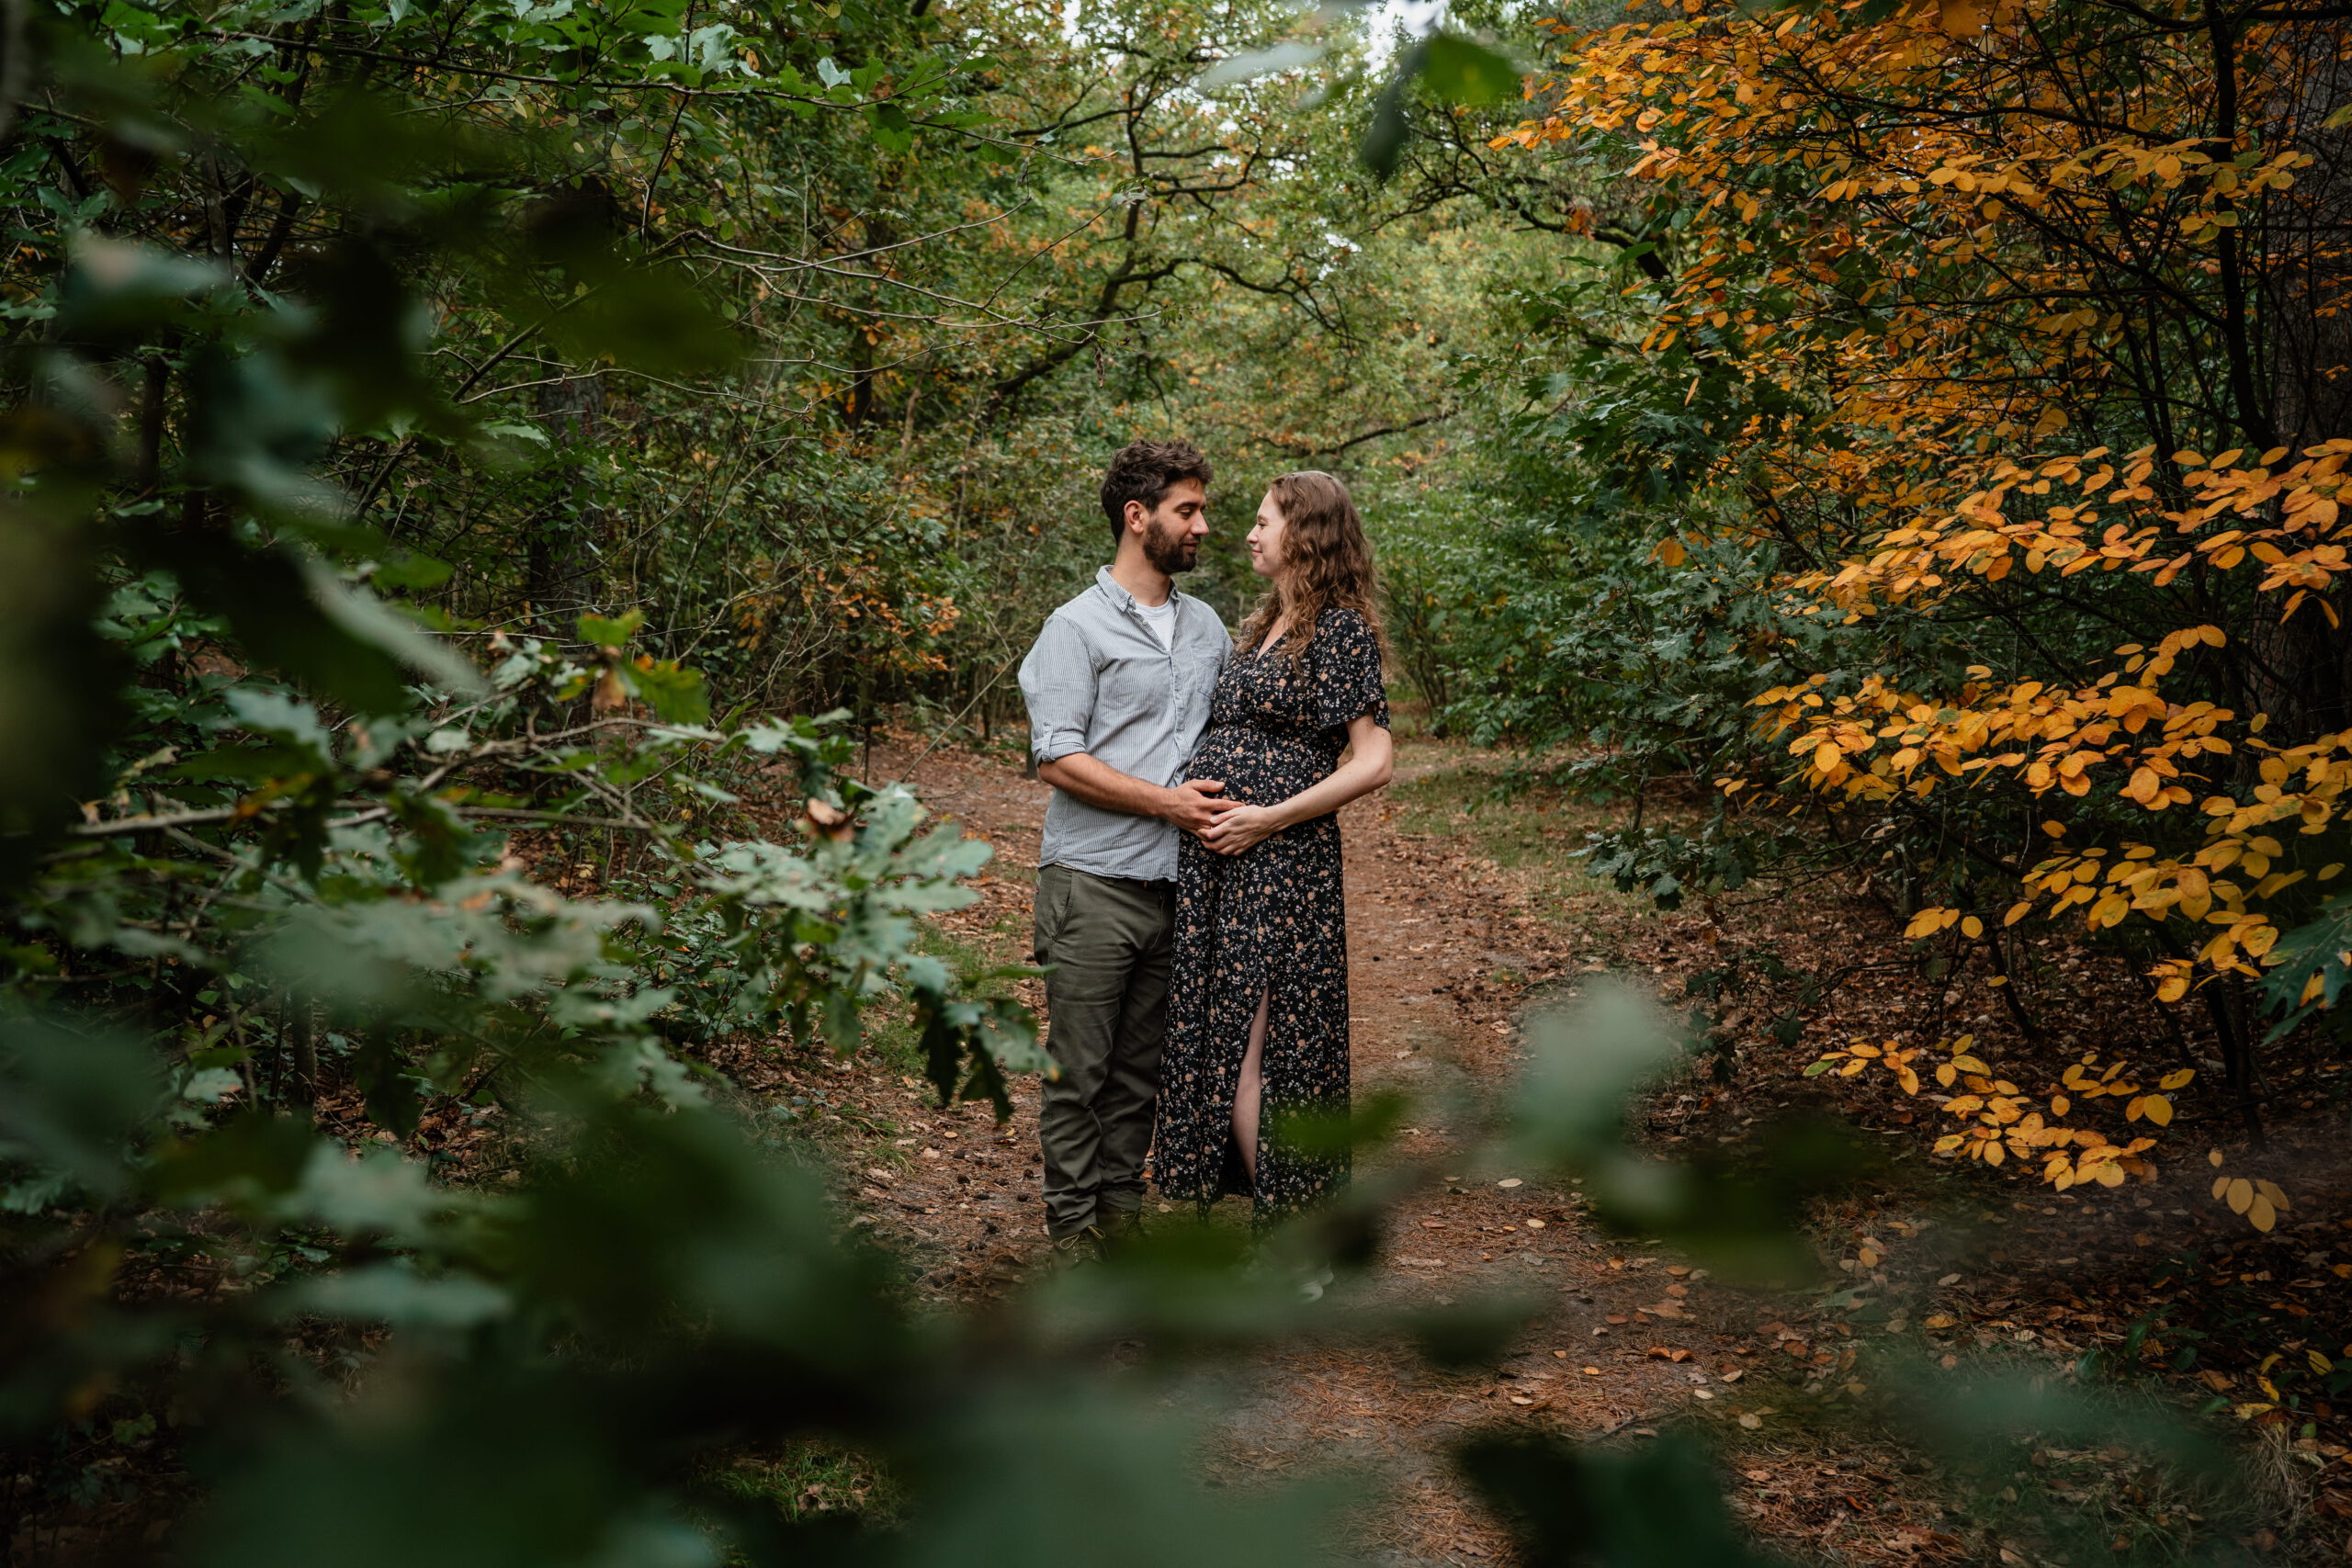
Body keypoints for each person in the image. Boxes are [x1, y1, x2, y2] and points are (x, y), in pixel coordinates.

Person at [1152, 469, 1393, 1247]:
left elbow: (1373, 761)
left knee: (1256, 1046)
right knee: (1232, 1038)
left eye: (1263, 522)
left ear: (1306, 534)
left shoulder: (1341, 629)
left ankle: (1301, 1244)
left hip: (1279, 863)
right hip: (1224, 863)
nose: (1248, 534)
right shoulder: (1261, 626)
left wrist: (1268, 818)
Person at [1017, 438, 1232, 1264]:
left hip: (1181, 886)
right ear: (1137, 518)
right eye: (1187, 510)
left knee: (1141, 1074)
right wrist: (1167, 804)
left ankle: (1121, 1219)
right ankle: (1072, 1235)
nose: (1203, 526)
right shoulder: (1073, 628)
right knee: (1080, 1071)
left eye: (1205, 510)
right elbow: (1057, 757)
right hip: (1091, 882)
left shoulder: (1208, 628)